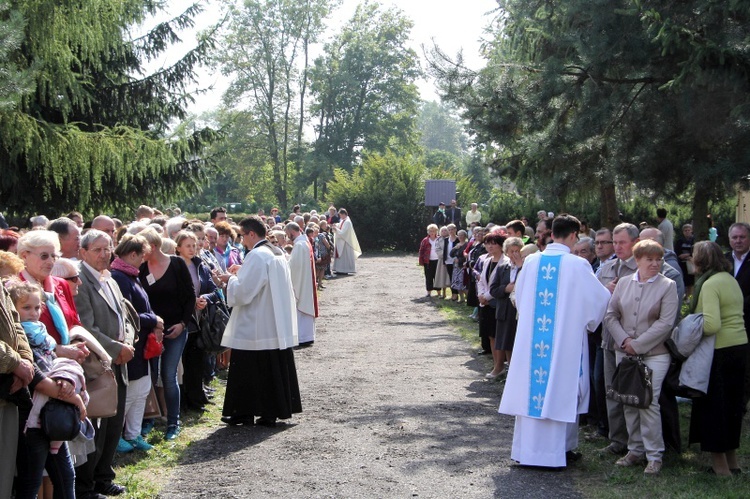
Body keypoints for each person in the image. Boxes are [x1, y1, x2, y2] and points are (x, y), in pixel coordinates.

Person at [498, 214, 610, 468]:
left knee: (532, 392)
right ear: (573, 235)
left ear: (551, 234)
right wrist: (608, 293)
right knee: (562, 391)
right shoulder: (578, 265)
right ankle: (558, 452)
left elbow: (522, 299)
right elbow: (597, 302)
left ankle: (528, 451)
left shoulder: (532, 262)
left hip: (533, 340)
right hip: (563, 343)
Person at [603, 240, 679, 475]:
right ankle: (635, 449)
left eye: (658, 259)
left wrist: (638, 344)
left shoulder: (668, 285)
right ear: (637, 261)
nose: (655, 264)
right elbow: (610, 315)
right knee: (629, 400)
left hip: (655, 354)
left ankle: (654, 454)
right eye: (650, 259)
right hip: (624, 352)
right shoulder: (625, 283)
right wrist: (625, 341)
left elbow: (666, 323)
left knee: (648, 402)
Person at [218, 216, 302, 427]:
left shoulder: (257, 255)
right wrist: (242, 271)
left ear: (252, 234)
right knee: (270, 369)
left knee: (249, 370)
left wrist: (230, 280)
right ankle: (270, 411)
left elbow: (244, 292)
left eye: (242, 235)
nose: (242, 240)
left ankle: (244, 412)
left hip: (256, 325)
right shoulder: (276, 252)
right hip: (274, 323)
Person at [74, 229, 135, 498]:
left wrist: (128, 342)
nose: (104, 254)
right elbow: (86, 326)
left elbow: (124, 316)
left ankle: (104, 476)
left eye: (108, 248)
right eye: (98, 249)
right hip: (97, 364)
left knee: (114, 423)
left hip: (120, 360)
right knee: (97, 425)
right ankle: (86, 485)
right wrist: (115, 349)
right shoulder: (80, 281)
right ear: (83, 252)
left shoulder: (109, 278)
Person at [690, 241, 748, 476]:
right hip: (740, 347)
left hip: (719, 351)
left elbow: (712, 324)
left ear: (700, 260)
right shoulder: (730, 278)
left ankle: (720, 467)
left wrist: (689, 331)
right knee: (733, 408)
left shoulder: (710, 284)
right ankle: (733, 463)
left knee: (715, 409)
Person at [138, 227, 195, 440]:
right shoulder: (142, 268)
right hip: (151, 331)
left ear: (152, 247)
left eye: (142, 248)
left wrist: (182, 323)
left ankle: (173, 422)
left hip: (175, 329)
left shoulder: (177, 264)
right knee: (151, 376)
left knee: (168, 375)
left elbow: (190, 296)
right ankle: (150, 419)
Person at [110, 234, 161, 453]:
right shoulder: (120, 277)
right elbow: (128, 313)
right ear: (132, 254)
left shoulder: (130, 274)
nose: (143, 261)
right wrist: (154, 320)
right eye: (142, 256)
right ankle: (119, 437)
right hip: (132, 343)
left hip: (142, 345)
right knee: (130, 392)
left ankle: (134, 434)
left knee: (141, 391)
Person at [598, 223, 640, 456]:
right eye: (615, 242)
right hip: (607, 338)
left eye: (621, 242)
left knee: (631, 394)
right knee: (611, 391)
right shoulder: (609, 267)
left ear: (635, 242)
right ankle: (617, 440)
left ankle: (635, 443)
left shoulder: (642, 268)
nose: (617, 247)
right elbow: (595, 300)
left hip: (630, 340)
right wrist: (605, 290)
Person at [18, 231, 86, 361]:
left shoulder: (61, 284)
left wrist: (77, 345)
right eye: (44, 256)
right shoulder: (14, 288)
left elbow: (74, 323)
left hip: (70, 364)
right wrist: (58, 350)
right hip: (37, 368)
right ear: (24, 256)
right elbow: (15, 336)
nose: (50, 262)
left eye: (53, 256)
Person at [174, 230, 216, 411]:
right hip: (183, 321)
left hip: (200, 321)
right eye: (188, 246)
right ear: (178, 248)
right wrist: (190, 303)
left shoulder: (201, 265)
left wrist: (204, 298)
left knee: (197, 360)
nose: (192, 249)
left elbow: (214, 289)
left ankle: (197, 398)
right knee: (181, 363)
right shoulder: (173, 267)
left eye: (194, 245)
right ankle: (183, 401)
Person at [0, 281, 35, 499]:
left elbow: (15, 324)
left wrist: (26, 361)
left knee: (4, 475)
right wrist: (15, 363)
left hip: (7, 392)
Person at [724, 222, 750, 409]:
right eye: (735, 237)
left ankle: (742, 403)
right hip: (727, 325)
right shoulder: (724, 261)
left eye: (742, 237)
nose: (738, 241)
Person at [489, 236, 524, 370]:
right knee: (506, 341)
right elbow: (493, 289)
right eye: (511, 251)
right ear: (506, 252)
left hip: (518, 310)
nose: (514, 254)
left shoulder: (525, 267)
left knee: (517, 341)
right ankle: (509, 369)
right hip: (504, 309)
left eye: (517, 251)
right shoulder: (502, 268)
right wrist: (505, 289)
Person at [475, 233, 507, 378]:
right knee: (490, 336)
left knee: (498, 335)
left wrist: (486, 296)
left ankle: (500, 366)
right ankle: (496, 365)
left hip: (497, 303)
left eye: (493, 243)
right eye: (487, 243)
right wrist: (481, 295)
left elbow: (501, 284)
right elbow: (481, 280)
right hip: (485, 303)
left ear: (501, 245)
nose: (489, 246)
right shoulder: (487, 260)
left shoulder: (505, 262)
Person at [286, 222, 318, 347]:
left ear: (292, 232)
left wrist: (286, 263)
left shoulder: (299, 245)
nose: (289, 237)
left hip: (301, 282)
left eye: (289, 235)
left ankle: (303, 337)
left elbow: (294, 267)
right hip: (305, 280)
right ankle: (307, 335)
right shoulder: (304, 242)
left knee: (300, 308)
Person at [332, 208, 361, 274]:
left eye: (340, 215)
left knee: (344, 257)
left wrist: (336, 229)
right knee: (341, 256)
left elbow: (343, 232)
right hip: (342, 241)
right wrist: (336, 225)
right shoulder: (343, 220)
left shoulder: (347, 222)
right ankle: (339, 269)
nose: (340, 216)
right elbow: (340, 225)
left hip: (346, 242)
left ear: (344, 214)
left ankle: (345, 270)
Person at [418, 224, 440, 297]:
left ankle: (439, 292)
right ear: (428, 232)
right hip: (428, 261)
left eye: (433, 231)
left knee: (437, 277)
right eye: (430, 231)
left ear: (436, 231)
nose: (432, 232)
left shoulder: (439, 239)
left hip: (438, 260)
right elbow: (421, 251)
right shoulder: (425, 240)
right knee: (428, 276)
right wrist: (421, 261)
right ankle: (429, 292)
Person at [450, 230, 469, 302]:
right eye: (459, 235)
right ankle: (461, 298)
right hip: (456, 266)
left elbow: (466, 255)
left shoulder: (467, 244)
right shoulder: (457, 244)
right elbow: (451, 254)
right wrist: (455, 248)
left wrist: (460, 260)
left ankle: (468, 298)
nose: (460, 237)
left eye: (462, 235)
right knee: (456, 282)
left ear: (465, 236)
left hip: (462, 266)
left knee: (462, 283)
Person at [434, 226, 451, 298]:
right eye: (442, 231)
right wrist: (444, 255)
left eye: (445, 230)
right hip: (442, 260)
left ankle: (454, 294)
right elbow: (437, 249)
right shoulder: (438, 240)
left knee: (450, 277)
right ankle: (443, 293)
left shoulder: (452, 239)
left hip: (451, 260)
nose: (444, 232)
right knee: (442, 277)